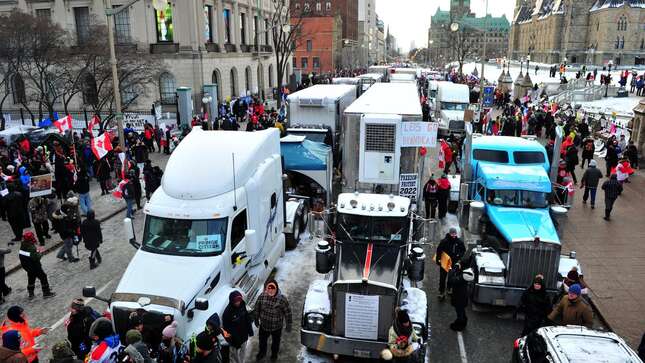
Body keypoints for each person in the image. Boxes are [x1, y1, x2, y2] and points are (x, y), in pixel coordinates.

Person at [253, 279, 292, 362]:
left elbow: (288, 312)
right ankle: (262, 353)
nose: (270, 291)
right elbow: (257, 308)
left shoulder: (282, 299)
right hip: (264, 326)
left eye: (273, 288)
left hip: (276, 327)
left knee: (275, 343)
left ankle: (274, 355)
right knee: (262, 342)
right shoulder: (262, 296)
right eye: (268, 288)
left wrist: (289, 324)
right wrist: (256, 318)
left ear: (276, 288)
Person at [18, 232, 55, 300]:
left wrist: (36, 251)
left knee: (31, 278)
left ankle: (31, 294)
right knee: (43, 277)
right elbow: (35, 257)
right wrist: (40, 252)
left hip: (27, 266)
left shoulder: (23, 245)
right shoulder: (31, 247)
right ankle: (46, 292)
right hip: (34, 266)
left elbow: (28, 255)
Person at [222, 291, 253, 363]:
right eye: (236, 301)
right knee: (234, 355)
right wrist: (234, 339)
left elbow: (247, 318)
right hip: (234, 340)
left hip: (244, 336)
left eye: (239, 300)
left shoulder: (242, 305)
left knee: (243, 352)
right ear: (232, 301)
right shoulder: (227, 312)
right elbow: (227, 328)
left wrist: (250, 330)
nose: (238, 302)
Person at [435, 227, 465, 300]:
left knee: (451, 277)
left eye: (455, 234)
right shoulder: (444, 241)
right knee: (442, 278)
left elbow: (463, 250)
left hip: (453, 262)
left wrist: (459, 256)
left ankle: (449, 288)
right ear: (449, 233)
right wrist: (438, 260)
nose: (454, 235)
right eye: (452, 234)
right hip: (445, 262)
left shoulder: (459, 242)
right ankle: (442, 292)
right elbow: (439, 251)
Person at [448, 263, 472, 331]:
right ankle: (463, 321)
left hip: (459, 297)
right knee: (461, 311)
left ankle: (460, 325)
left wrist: (451, 271)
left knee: (459, 312)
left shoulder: (461, 278)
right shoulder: (465, 277)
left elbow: (451, 280)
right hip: (462, 297)